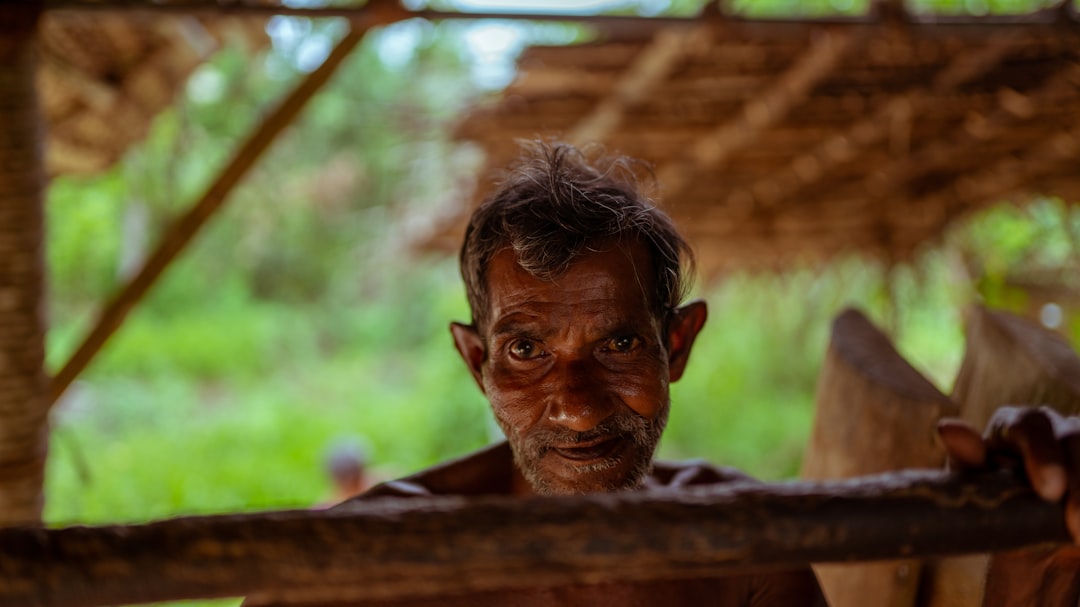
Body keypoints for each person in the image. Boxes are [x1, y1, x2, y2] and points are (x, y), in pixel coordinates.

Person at [330, 141, 1080, 605]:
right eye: (527, 351)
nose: (581, 409)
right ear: (476, 360)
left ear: (678, 344)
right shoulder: (354, 569)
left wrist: (1032, 557)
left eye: (619, 345)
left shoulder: (741, 548)